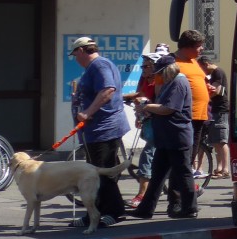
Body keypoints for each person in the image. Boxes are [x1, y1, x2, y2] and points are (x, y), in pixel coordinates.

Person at [68, 36, 129, 228]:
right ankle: (95, 213)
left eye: (75, 54)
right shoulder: (94, 67)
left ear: (81, 51)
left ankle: (115, 212)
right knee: (97, 172)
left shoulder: (99, 65)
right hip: (97, 130)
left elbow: (107, 90)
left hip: (104, 128)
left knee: (101, 172)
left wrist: (87, 112)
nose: (75, 58)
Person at [128, 54, 197, 219]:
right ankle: (146, 209)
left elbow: (168, 109)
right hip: (166, 136)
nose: (157, 75)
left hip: (177, 135)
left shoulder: (179, 82)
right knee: (157, 174)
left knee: (183, 173)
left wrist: (146, 106)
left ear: (169, 70)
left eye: (160, 72)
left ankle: (190, 208)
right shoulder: (169, 82)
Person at [123, 53, 161, 207]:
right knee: (160, 159)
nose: (142, 69)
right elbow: (141, 94)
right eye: (142, 66)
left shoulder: (159, 82)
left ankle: (142, 195)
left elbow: (158, 102)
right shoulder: (146, 79)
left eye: (146, 66)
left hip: (158, 123)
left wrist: (145, 105)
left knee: (147, 156)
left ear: (155, 67)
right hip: (148, 121)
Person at [174, 30, 211, 177]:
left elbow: (198, 81)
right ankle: (182, 190)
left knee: (190, 156)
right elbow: (161, 87)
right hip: (185, 116)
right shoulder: (173, 62)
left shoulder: (193, 61)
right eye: (199, 46)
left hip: (200, 115)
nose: (202, 49)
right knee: (183, 157)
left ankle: (182, 188)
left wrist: (208, 89)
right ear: (187, 47)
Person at [200, 55, 230, 180]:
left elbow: (217, 91)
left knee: (222, 141)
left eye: (202, 68)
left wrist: (203, 97)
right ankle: (219, 168)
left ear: (206, 63)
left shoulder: (218, 72)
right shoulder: (214, 75)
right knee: (216, 141)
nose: (203, 71)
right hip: (215, 110)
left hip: (220, 110)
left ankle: (225, 169)